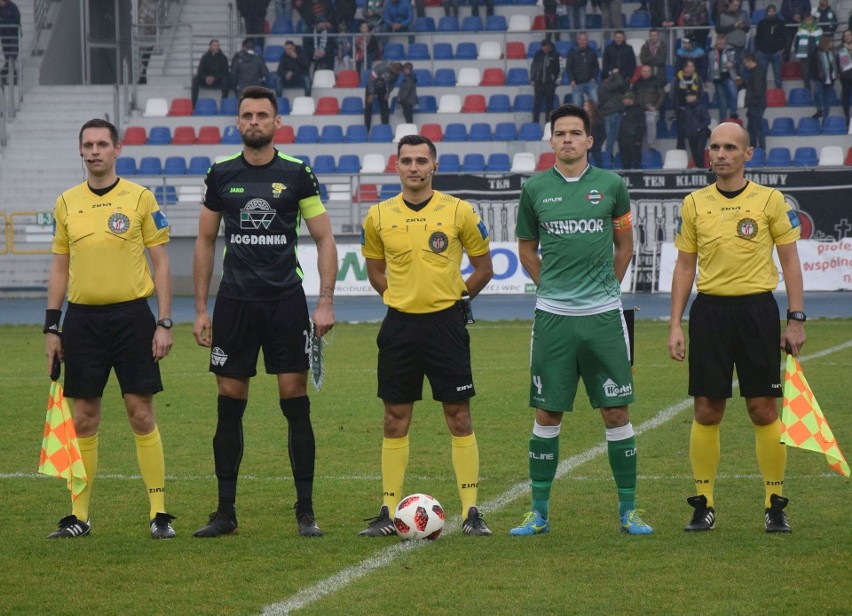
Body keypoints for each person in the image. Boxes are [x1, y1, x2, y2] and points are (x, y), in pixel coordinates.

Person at [191, 86, 338, 538]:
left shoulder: (297, 173)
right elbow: (205, 241)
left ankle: (306, 510)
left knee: (295, 402)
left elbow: (324, 239)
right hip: (234, 302)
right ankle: (225, 513)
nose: (253, 121)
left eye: (262, 115)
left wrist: (326, 299)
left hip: (285, 301)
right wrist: (200, 308)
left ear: (277, 123)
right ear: (238, 123)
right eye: (246, 115)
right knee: (229, 405)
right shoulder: (220, 173)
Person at [509, 103, 652, 537]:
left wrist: (608, 287)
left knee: (616, 411)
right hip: (553, 318)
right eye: (560, 133)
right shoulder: (534, 189)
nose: (567, 139)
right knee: (547, 414)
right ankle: (538, 512)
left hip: (604, 318)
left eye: (575, 132)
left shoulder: (612, 186)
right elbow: (527, 250)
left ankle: (629, 511)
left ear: (590, 140)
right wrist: (548, 286)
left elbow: (624, 245)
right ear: (551, 140)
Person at [668, 121, 806, 534]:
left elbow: (790, 261)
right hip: (709, 313)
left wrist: (795, 317)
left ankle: (774, 503)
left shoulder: (771, 200)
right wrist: (675, 323)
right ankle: (703, 503)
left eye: (730, 147)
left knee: (763, 409)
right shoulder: (694, 202)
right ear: (707, 153)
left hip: (757, 312)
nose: (721, 154)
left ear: (748, 154)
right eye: (714, 147)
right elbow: (685, 265)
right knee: (707, 410)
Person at [44, 118, 175, 540]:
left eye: (103, 143)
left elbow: (162, 262)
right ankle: (79, 516)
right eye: (88, 144)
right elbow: (60, 266)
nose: (95, 151)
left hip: (132, 319)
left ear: (118, 149)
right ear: (80, 150)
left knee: (140, 412)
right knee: (83, 419)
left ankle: (158, 513)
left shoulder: (139, 197)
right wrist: (53, 325)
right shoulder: (65, 202)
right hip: (82, 321)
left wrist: (164, 321)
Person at [358, 134, 494, 537]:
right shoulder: (378, 216)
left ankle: (472, 512)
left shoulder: (460, 212)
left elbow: (483, 268)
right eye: (406, 161)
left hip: (446, 326)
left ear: (434, 166)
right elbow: (374, 270)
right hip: (399, 326)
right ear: (395, 166)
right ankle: (386, 511)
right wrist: (399, 298)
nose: (413, 167)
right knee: (394, 418)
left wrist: (455, 298)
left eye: (421, 160)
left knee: (459, 415)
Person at [672, 60, 704, 150]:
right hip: (681, 109)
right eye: (691, 66)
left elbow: (701, 93)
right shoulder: (677, 78)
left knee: (694, 134)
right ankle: (680, 154)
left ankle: (695, 158)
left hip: (694, 110)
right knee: (680, 134)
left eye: (693, 66)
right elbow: (673, 94)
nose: (693, 68)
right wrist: (676, 107)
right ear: (685, 68)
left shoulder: (697, 78)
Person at [632, 64, 664, 151]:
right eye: (644, 71)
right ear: (641, 72)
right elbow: (633, 96)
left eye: (647, 71)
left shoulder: (656, 81)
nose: (646, 73)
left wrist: (655, 107)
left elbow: (661, 96)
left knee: (650, 121)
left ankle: (651, 144)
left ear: (651, 72)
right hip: (639, 109)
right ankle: (636, 142)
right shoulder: (637, 83)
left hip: (652, 109)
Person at [530, 39, 562, 125]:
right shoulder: (538, 54)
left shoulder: (556, 54)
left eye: (545, 48)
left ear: (549, 46)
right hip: (539, 83)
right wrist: (533, 79)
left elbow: (561, 68)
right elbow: (533, 66)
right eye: (543, 48)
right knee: (537, 104)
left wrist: (556, 82)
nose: (544, 49)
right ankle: (535, 123)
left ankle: (548, 124)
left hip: (550, 84)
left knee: (549, 106)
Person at [755, 4, 787, 90]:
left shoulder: (780, 23)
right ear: (767, 12)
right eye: (770, 11)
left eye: (773, 11)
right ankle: (762, 95)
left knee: (778, 75)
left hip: (776, 53)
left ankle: (779, 94)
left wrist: (782, 49)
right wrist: (759, 50)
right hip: (763, 53)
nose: (772, 13)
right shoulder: (761, 23)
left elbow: (784, 37)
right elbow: (758, 38)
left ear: (775, 12)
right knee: (762, 76)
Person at [191, 39, 231, 107]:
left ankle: (224, 104)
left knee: (226, 80)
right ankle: (193, 105)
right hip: (206, 80)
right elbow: (200, 71)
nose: (216, 47)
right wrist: (205, 77)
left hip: (217, 80)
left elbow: (225, 71)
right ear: (210, 46)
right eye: (214, 45)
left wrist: (214, 78)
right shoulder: (205, 57)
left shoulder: (223, 58)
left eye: (218, 45)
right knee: (195, 79)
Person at [597, 67, 627, 158]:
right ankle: (609, 157)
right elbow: (619, 83)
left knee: (612, 137)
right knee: (611, 137)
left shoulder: (602, 86)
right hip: (612, 114)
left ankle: (610, 156)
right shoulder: (606, 86)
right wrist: (616, 73)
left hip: (610, 114)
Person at [709, 34, 739, 121]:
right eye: (720, 44)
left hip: (728, 76)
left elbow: (736, 60)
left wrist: (732, 63)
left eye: (723, 43)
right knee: (722, 102)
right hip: (717, 78)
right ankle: (723, 121)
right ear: (716, 42)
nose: (721, 45)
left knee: (734, 93)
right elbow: (710, 66)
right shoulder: (711, 51)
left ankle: (733, 114)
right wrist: (708, 78)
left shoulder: (730, 49)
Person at [715, 0, 749, 75]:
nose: (737, 7)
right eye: (735, 5)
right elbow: (718, 30)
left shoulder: (742, 14)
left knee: (740, 69)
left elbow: (747, 29)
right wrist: (734, 26)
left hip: (741, 45)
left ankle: (739, 86)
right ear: (729, 4)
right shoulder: (722, 14)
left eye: (738, 5)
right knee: (731, 70)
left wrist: (743, 26)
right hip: (730, 45)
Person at [364, 61, 400, 131]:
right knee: (368, 107)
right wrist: (371, 93)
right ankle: (367, 128)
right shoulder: (381, 68)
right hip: (372, 86)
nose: (396, 74)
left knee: (384, 106)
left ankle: (385, 127)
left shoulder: (397, 73)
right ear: (392, 68)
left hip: (382, 87)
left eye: (397, 73)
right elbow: (370, 80)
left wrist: (389, 91)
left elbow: (393, 82)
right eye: (395, 72)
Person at [566, 32, 600, 106]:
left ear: (587, 40)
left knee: (595, 103)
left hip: (590, 83)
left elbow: (596, 67)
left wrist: (594, 78)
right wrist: (571, 80)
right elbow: (568, 68)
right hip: (576, 84)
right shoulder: (572, 52)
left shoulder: (592, 52)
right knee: (577, 106)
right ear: (577, 40)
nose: (582, 41)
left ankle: (593, 118)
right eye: (580, 39)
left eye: (584, 39)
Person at [743, 54, 767, 151]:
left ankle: (761, 150)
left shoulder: (756, 73)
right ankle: (757, 150)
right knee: (752, 130)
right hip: (755, 104)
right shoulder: (756, 71)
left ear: (750, 61)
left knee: (756, 129)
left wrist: (750, 100)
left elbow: (757, 90)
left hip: (756, 105)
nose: (745, 65)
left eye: (745, 62)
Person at [682, 90, 711, 166]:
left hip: (701, 134)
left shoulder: (702, 107)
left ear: (694, 97)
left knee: (699, 151)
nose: (686, 98)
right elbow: (685, 121)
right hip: (691, 134)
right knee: (694, 153)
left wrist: (699, 128)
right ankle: (699, 168)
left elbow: (707, 120)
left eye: (688, 96)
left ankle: (702, 169)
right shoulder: (687, 108)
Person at [618, 91, 646, 169]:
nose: (623, 101)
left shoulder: (638, 110)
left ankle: (637, 180)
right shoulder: (624, 110)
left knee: (636, 162)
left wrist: (638, 139)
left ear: (630, 99)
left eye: (624, 99)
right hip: (623, 140)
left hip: (633, 139)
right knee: (625, 162)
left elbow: (641, 125)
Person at [0, 0, 21, 85]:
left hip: (13, 36)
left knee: (12, 57)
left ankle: (3, 74)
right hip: (4, 37)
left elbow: (16, 20)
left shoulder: (12, 7)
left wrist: (3, 21)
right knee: (8, 58)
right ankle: (14, 77)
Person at [583, 99, 605, 167]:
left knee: (598, 161)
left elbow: (603, 132)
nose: (584, 106)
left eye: (585, 105)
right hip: (584, 143)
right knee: (584, 163)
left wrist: (600, 142)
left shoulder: (598, 117)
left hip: (596, 143)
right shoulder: (582, 118)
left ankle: (600, 176)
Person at [838, 29, 852, 122]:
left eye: (849, 35)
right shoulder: (841, 48)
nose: (847, 37)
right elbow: (839, 62)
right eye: (845, 35)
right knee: (846, 96)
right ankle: (847, 115)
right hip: (845, 76)